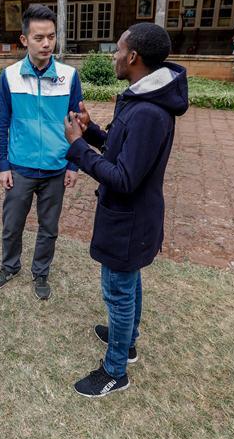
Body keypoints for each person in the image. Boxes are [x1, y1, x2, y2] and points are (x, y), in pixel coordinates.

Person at [63, 22, 188, 397]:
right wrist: (92, 132)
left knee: (118, 291)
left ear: (133, 57)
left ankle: (116, 369)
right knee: (128, 283)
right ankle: (127, 340)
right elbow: (122, 147)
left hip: (129, 221)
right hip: (131, 219)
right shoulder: (141, 100)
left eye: (118, 50)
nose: (113, 56)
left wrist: (77, 148)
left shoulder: (149, 112)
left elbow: (123, 178)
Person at [0, 4, 83, 299]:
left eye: (51, 37)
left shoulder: (68, 76)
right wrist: (3, 165)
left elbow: (75, 124)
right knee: (12, 224)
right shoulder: (10, 76)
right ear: (24, 40)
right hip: (19, 167)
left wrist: (73, 166)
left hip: (56, 169)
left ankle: (41, 273)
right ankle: (9, 265)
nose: (46, 44)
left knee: (49, 227)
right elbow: (1, 123)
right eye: (39, 37)